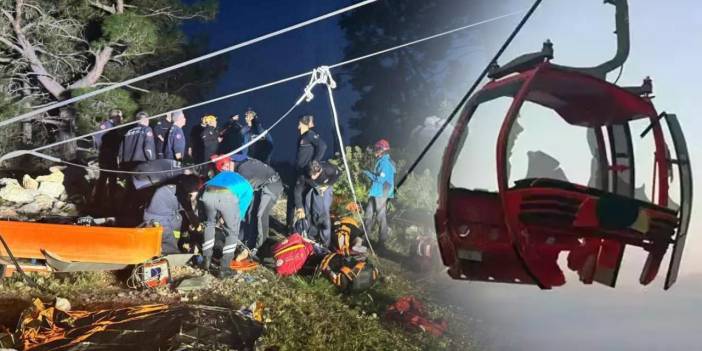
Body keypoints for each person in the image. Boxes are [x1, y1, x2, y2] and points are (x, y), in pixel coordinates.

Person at [199, 155, 254, 278]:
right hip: (227, 196)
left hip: (208, 192)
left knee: (209, 225)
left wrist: (203, 215)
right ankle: (224, 268)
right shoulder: (247, 187)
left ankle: (206, 261)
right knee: (232, 233)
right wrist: (232, 220)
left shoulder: (221, 175)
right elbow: (240, 210)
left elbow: (203, 188)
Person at [231, 154, 283, 259]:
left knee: (260, 214)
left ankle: (259, 246)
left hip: (272, 186)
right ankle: (247, 240)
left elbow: (240, 193)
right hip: (260, 188)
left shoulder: (243, 169)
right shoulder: (241, 166)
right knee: (250, 212)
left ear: (232, 162)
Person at [143, 175, 202, 255]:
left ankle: (176, 245)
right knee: (170, 246)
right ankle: (171, 256)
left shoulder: (175, 186)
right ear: (193, 189)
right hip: (161, 220)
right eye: (197, 190)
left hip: (150, 216)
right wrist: (198, 228)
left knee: (178, 222)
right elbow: (191, 215)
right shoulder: (183, 195)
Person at [287, 114, 327, 227]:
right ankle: (289, 226)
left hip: (305, 172)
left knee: (302, 198)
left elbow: (323, 146)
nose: (298, 124)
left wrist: (315, 161)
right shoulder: (302, 136)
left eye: (299, 122)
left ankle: (304, 227)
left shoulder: (310, 135)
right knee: (292, 198)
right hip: (297, 170)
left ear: (303, 123)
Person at [294, 160, 340, 247]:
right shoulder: (303, 175)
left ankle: (325, 243)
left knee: (323, 215)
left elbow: (338, 173)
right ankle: (311, 238)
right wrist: (299, 207)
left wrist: (328, 185)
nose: (312, 176)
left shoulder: (328, 169)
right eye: (310, 174)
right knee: (308, 213)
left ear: (320, 170)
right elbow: (297, 191)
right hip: (311, 188)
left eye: (314, 175)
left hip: (324, 188)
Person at [362, 139, 396, 251]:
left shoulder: (385, 162)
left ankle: (382, 243)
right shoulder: (382, 160)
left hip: (381, 193)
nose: (374, 151)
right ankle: (365, 238)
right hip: (376, 191)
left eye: (376, 149)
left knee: (380, 217)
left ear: (382, 150)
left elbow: (380, 179)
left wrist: (367, 173)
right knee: (368, 213)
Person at [92, 109, 124, 210]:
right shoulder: (106, 126)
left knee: (112, 178)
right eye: (120, 116)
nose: (121, 118)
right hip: (106, 155)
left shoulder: (114, 127)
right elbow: (97, 138)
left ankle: (111, 201)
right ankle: (98, 202)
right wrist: (103, 150)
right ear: (115, 117)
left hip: (111, 155)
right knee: (104, 178)